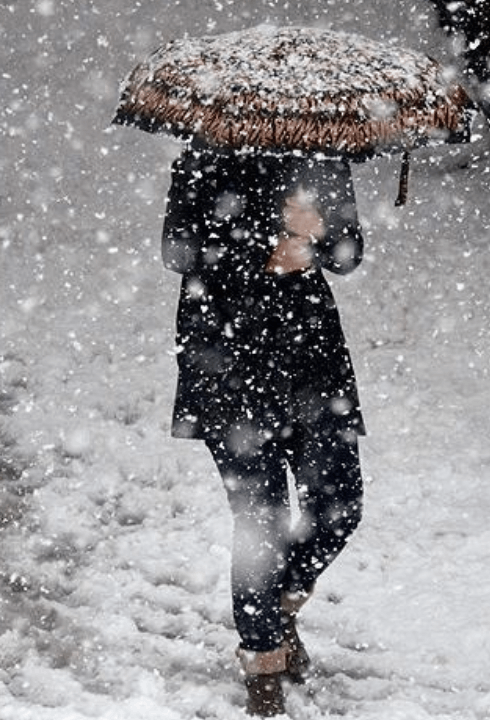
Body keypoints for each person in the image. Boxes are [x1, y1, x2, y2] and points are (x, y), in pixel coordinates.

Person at [160, 143, 366, 716]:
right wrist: (270, 240)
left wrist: (317, 236)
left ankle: (273, 609)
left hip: (312, 361)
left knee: (340, 504)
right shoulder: (202, 159)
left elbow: (348, 255)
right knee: (261, 521)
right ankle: (262, 664)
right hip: (227, 359)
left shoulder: (322, 157)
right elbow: (179, 252)